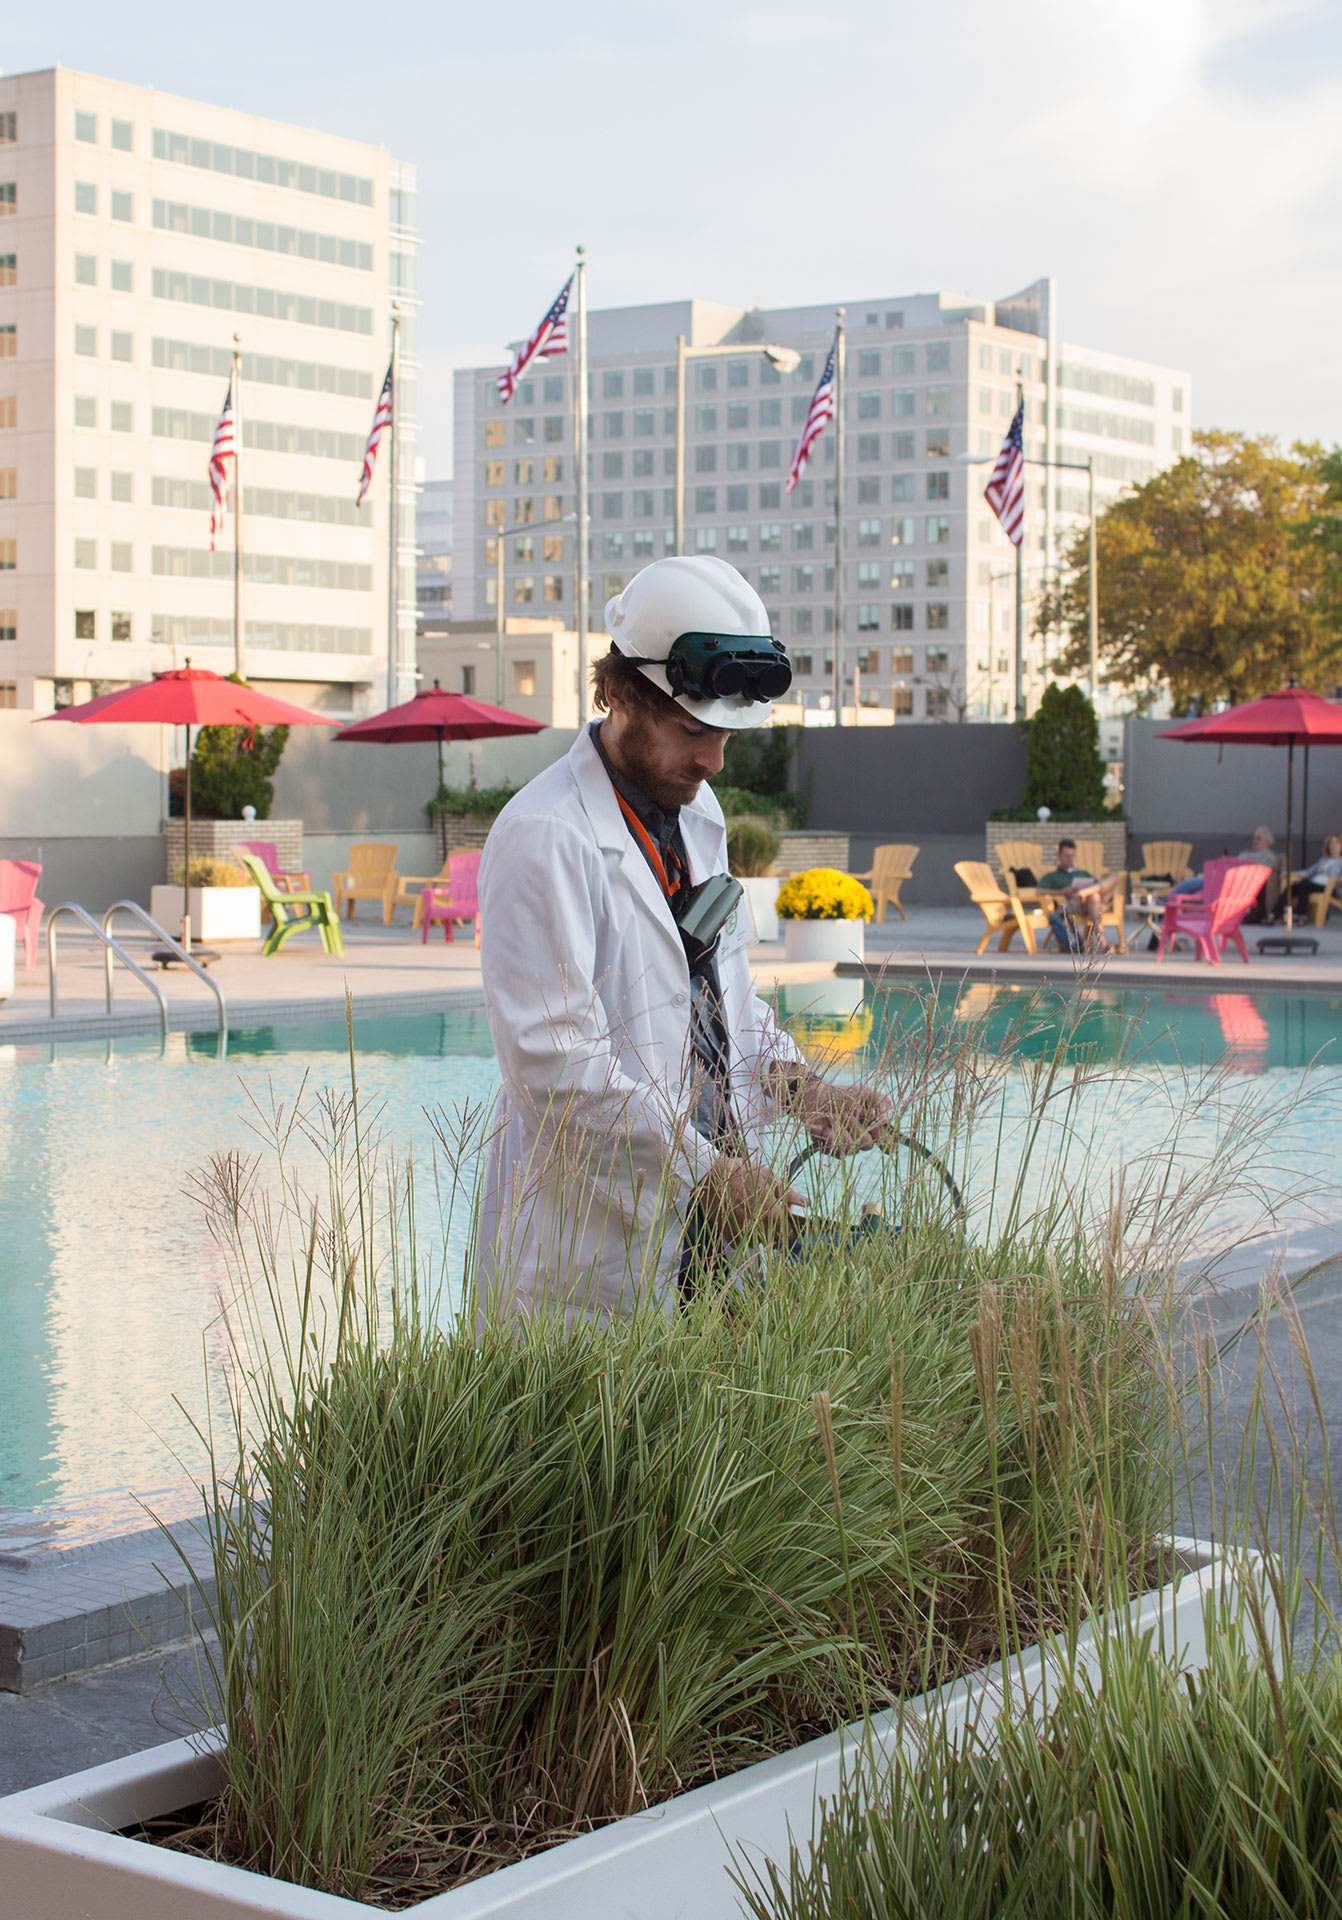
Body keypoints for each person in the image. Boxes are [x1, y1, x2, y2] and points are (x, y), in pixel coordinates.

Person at [472, 554, 892, 1324]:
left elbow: (726, 1004)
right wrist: (704, 1176)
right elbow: (553, 1067)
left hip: (710, 1240)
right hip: (589, 1254)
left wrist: (805, 1092)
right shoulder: (545, 835)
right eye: (693, 731)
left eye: (726, 735)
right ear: (618, 691)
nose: (713, 759)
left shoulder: (698, 816)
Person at [1035, 839, 1122, 953]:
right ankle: (1101, 942)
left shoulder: (1082, 873)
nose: (1070, 859)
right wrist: (1062, 892)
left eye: (1072, 856)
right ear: (1058, 855)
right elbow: (1038, 892)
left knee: (1114, 878)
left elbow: (1102, 887)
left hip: (1095, 903)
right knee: (1094, 896)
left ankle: (1085, 892)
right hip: (1073, 905)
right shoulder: (1053, 876)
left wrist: (1086, 892)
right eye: (1066, 856)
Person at [1270, 832, 1342, 923]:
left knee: (1304, 885)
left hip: (1328, 887)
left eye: (1336, 843)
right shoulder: (1323, 860)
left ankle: (1301, 916)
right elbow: (1308, 872)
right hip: (1312, 884)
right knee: (1291, 888)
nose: (1334, 846)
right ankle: (1274, 915)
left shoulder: (1340, 861)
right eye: (1331, 843)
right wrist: (1290, 874)